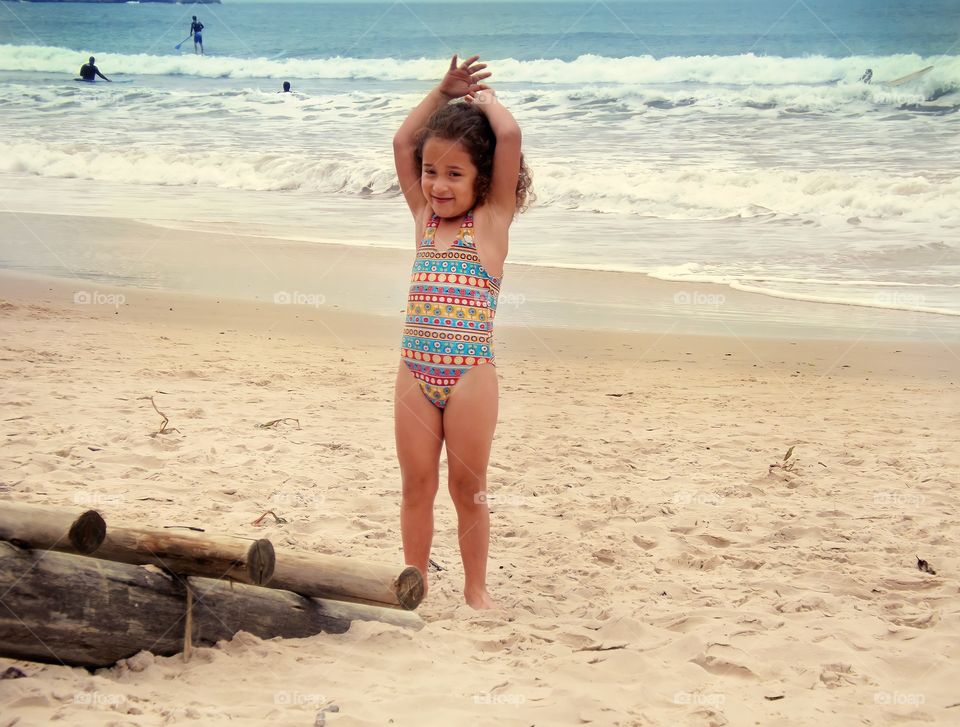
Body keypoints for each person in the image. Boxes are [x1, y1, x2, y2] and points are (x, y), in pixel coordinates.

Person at [392, 54, 531, 609]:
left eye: (455, 174)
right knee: (416, 485)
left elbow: (510, 136)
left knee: (467, 488)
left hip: (470, 375)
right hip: (414, 372)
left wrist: (484, 101)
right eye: (431, 171)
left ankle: (476, 591)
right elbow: (403, 141)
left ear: (483, 178)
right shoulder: (423, 219)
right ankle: (415, 585)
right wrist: (440, 93)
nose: (438, 185)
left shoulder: (492, 223)